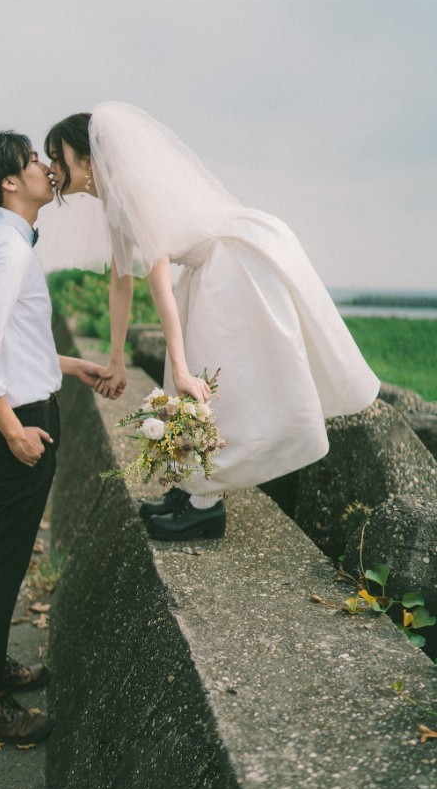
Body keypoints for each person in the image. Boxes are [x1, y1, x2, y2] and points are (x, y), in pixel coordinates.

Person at [42, 102, 380, 542]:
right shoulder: (114, 195)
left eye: (57, 156)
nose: (52, 167)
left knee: (207, 378)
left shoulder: (130, 185)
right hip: (213, 266)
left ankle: (206, 506)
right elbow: (121, 281)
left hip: (235, 263)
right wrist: (115, 359)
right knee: (191, 374)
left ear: (86, 160)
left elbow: (159, 276)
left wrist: (180, 366)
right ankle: (189, 488)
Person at [0, 128, 113, 743]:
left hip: (27, 407)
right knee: (5, 560)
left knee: (11, 556)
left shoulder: (7, 240)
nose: (49, 167)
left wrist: (69, 367)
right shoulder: (6, 249)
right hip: (18, 423)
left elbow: (14, 343)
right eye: (32, 162)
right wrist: (16, 431)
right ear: (9, 183)